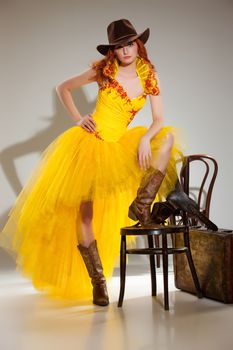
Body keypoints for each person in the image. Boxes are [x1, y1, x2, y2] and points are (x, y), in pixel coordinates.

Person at [0, 19, 215, 307]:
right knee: (85, 214)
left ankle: (141, 205)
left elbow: (159, 119)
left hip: (122, 144)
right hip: (91, 144)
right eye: (119, 46)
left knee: (165, 139)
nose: (125, 50)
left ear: (138, 45)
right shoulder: (104, 72)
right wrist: (79, 119)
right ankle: (98, 281)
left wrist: (143, 139)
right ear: (112, 51)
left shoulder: (149, 76)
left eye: (129, 43)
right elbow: (62, 87)